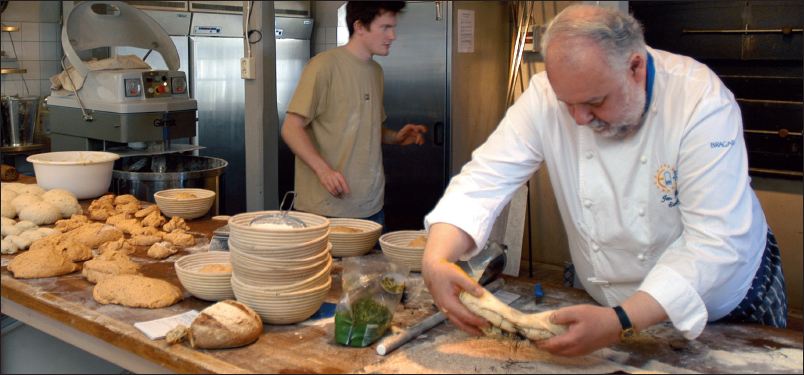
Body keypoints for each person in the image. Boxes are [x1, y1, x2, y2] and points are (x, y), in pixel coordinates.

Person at [422, 4, 787, 357]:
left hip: (722, 304)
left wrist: (622, 320)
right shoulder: (544, 97)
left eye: (595, 102)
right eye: (568, 104)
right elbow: (485, 179)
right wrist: (437, 258)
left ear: (635, 68)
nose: (580, 119)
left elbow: (715, 243)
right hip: (604, 306)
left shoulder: (700, 102)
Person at [281, 1, 427, 226]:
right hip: (325, 211)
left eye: (393, 27)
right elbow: (291, 128)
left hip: (371, 207)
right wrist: (324, 171)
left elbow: (366, 130)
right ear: (360, 27)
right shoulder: (323, 66)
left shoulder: (376, 72)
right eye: (385, 27)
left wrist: (395, 137)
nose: (393, 36)